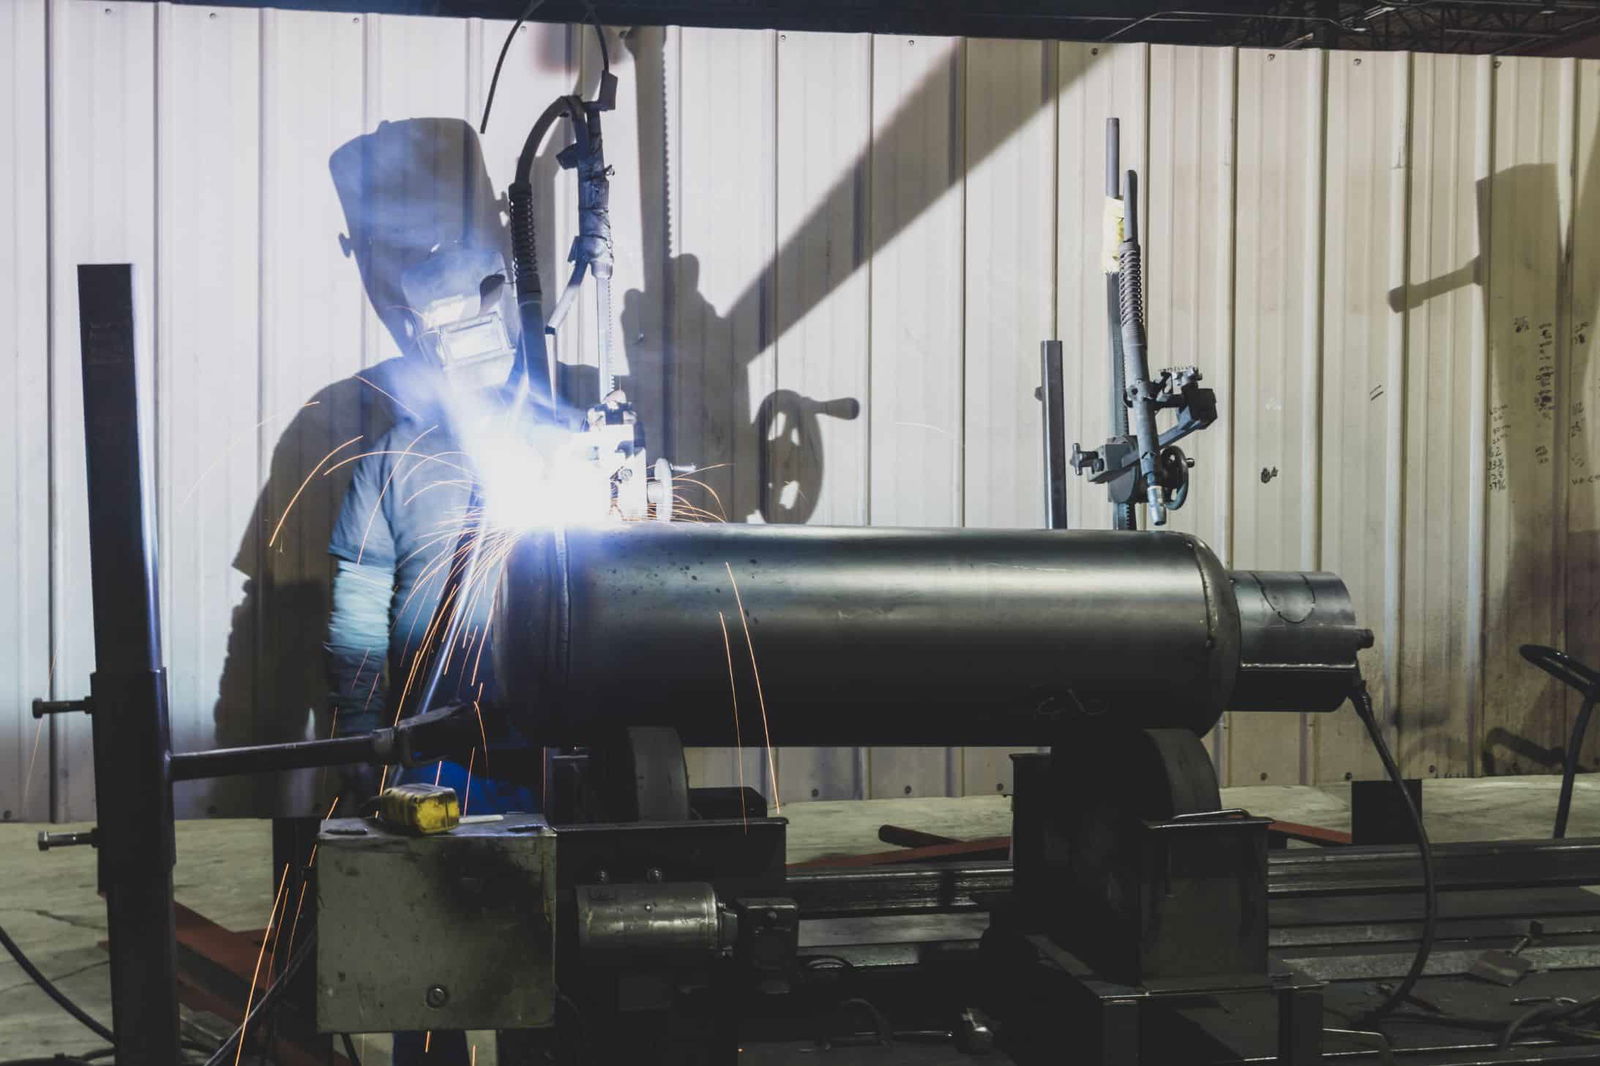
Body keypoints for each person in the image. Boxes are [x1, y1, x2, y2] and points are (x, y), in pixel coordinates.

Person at [324, 240, 542, 1065]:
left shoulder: (565, 433)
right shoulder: (396, 451)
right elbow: (357, 596)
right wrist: (357, 721)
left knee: (545, 914)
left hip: (542, 732)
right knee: (429, 926)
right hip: (428, 739)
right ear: (426, 340)